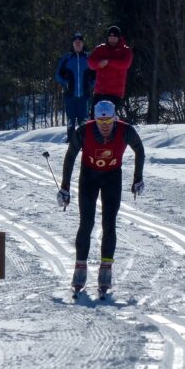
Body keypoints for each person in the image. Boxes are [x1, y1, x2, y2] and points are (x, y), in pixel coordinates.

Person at [56, 100, 145, 297]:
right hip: (89, 177)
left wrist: (138, 178)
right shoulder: (84, 131)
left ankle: (106, 270)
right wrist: (65, 188)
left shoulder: (125, 131)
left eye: (109, 122)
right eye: (100, 122)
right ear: (94, 120)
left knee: (109, 223)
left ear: (115, 118)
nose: (105, 126)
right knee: (86, 223)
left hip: (112, 177)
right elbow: (70, 156)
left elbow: (139, 149)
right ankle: (80, 269)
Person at [55, 32, 95, 143]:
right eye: (75, 42)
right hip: (70, 96)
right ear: (73, 44)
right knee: (71, 119)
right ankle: (71, 140)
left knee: (84, 120)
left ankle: (84, 140)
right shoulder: (66, 58)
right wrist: (65, 83)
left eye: (79, 42)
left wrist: (91, 84)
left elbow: (96, 75)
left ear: (82, 44)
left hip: (84, 96)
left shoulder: (88, 58)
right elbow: (57, 75)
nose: (77, 44)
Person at [87, 25, 133, 112]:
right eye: (110, 37)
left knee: (109, 119)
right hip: (99, 91)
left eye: (114, 37)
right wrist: (98, 64)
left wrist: (109, 62)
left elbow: (125, 64)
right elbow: (90, 62)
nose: (112, 39)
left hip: (115, 93)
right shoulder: (100, 49)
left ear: (119, 38)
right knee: (95, 118)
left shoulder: (125, 51)